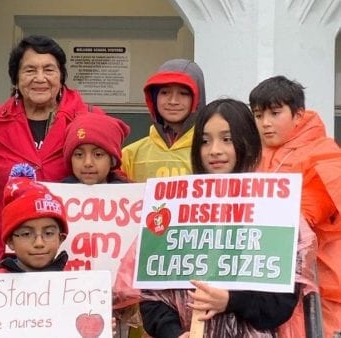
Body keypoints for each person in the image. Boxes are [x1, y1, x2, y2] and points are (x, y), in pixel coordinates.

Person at [116, 99, 317, 337]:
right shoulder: (173, 208)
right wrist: (174, 333)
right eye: (204, 141)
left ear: (248, 142)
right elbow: (151, 296)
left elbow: (280, 305)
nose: (215, 151)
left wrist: (230, 300)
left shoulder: (274, 209)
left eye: (227, 139)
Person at [0, 35, 103, 264]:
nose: (40, 78)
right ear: (16, 79)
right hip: (7, 252)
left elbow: (113, 179)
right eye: (29, 70)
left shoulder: (88, 118)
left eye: (49, 69)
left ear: (61, 76)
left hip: (74, 251)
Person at [249, 75, 341, 337]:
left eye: (275, 113)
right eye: (258, 115)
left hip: (315, 287)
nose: (265, 123)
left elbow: (309, 213)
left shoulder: (325, 153)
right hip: (261, 281)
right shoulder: (251, 153)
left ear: (298, 114)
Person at [121, 58, 206, 182]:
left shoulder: (211, 154)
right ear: (154, 98)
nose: (173, 101)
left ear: (197, 100)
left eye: (183, 93)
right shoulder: (130, 155)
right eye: (165, 92)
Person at [0, 164, 69, 273]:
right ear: (10, 241)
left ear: (61, 238)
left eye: (48, 233)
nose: (39, 243)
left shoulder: (71, 283)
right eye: (26, 234)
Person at [62, 111, 131, 184]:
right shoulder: (55, 193)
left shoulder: (129, 194)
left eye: (98, 154)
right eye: (79, 155)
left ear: (112, 160)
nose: (87, 163)